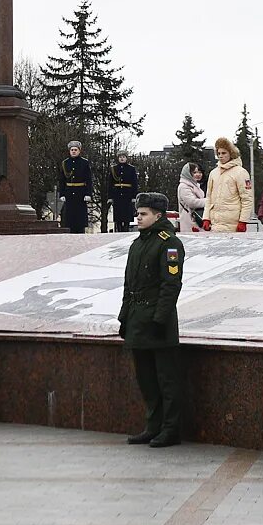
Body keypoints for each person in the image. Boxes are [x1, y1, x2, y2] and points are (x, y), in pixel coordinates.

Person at [118, 192, 185, 448]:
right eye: (138, 213)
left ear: (158, 216)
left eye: (144, 213)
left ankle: (171, 429)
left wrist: (159, 319)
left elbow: (171, 285)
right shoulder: (137, 244)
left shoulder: (169, 244)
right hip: (137, 321)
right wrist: (124, 317)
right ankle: (153, 426)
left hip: (158, 324)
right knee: (146, 380)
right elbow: (129, 285)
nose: (139, 217)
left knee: (167, 381)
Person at [202, 137, 252, 233]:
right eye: (219, 153)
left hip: (233, 224)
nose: (220, 156)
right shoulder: (214, 173)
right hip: (215, 223)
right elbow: (209, 197)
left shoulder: (241, 172)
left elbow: (247, 198)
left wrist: (243, 221)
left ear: (231, 154)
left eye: (224, 153)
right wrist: (206, 218)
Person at [57, 140, 94, 234]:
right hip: (69, 192)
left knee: (80, 217)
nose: (73, 151)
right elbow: (62, 180)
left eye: (75, 150)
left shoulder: (84, 163)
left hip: (80, 192)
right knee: (69, 217)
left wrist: (88, 193)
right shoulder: (65, 163)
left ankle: (80, 233)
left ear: (79, 151)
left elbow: (88, 180)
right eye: (72, 150)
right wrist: (62, 194)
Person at [107, 152, 140, 233]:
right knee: (118, 214)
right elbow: (110, 183)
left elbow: (134, 183)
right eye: (120, 157)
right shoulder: (114, 169)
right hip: (117, 193)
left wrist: (134, 196)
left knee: (127, 214)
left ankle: (126, 228)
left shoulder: (131, 169)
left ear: (126, 158)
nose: (122, 158)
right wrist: (110, 197)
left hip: (127, 194)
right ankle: (119, 229)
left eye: (123, 157)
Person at [177, 162, 206, 233]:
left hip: (196, 219)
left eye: (200, 172)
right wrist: (209, 201)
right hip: (190, 219)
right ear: (188, 173)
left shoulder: (195, 185)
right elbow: (192, 202)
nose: (198, 174)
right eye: (195, 172)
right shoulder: (184, 186)